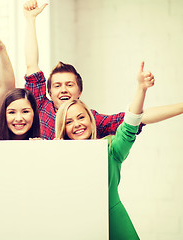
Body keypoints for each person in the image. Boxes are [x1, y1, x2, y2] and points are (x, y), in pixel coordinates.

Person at [23, 0, 183, 140]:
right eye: (57, 86)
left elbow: (136, 118)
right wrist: (30, 20)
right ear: (49, 93)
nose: (63, 89)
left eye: (69, 84)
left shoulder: (90, 119)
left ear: (80, 91)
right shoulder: (40, 107)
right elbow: (31, 65)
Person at [54, 63, 155, 239]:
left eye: (80, 117)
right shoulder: (56, 156)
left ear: (91, 120)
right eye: (69, 122)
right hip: (76, 224)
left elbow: (129, 125)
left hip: (114, 222)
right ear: (63, 128)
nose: (77, 124)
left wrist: (141, 89)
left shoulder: (109, 148)